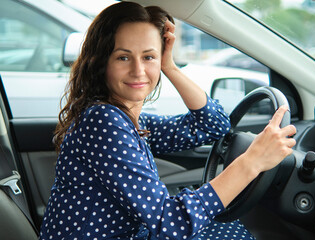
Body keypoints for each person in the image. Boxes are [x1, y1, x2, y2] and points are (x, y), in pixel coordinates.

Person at [39, 1, 296, 240]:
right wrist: (252, 161)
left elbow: (214, 124)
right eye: (123, 57)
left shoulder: (128, 120)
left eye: (149, 57)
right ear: (100, 62)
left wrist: (169, 66)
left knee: (227, 229)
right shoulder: (103, 121)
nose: (138, 70)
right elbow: (169, 222)